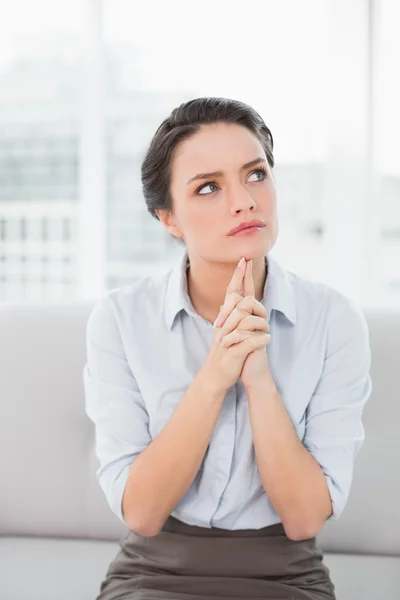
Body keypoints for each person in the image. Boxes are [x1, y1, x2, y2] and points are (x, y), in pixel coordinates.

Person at [83, 97, 372, 600]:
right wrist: (218, 372)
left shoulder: (334, 319)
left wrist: (257, 378)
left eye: (256, 174)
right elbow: (144, 513)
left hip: (286, 572)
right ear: (168, 217)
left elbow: (305, 519)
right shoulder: (120, 320)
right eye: (209, 187)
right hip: (154, 570)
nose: (244, 201)